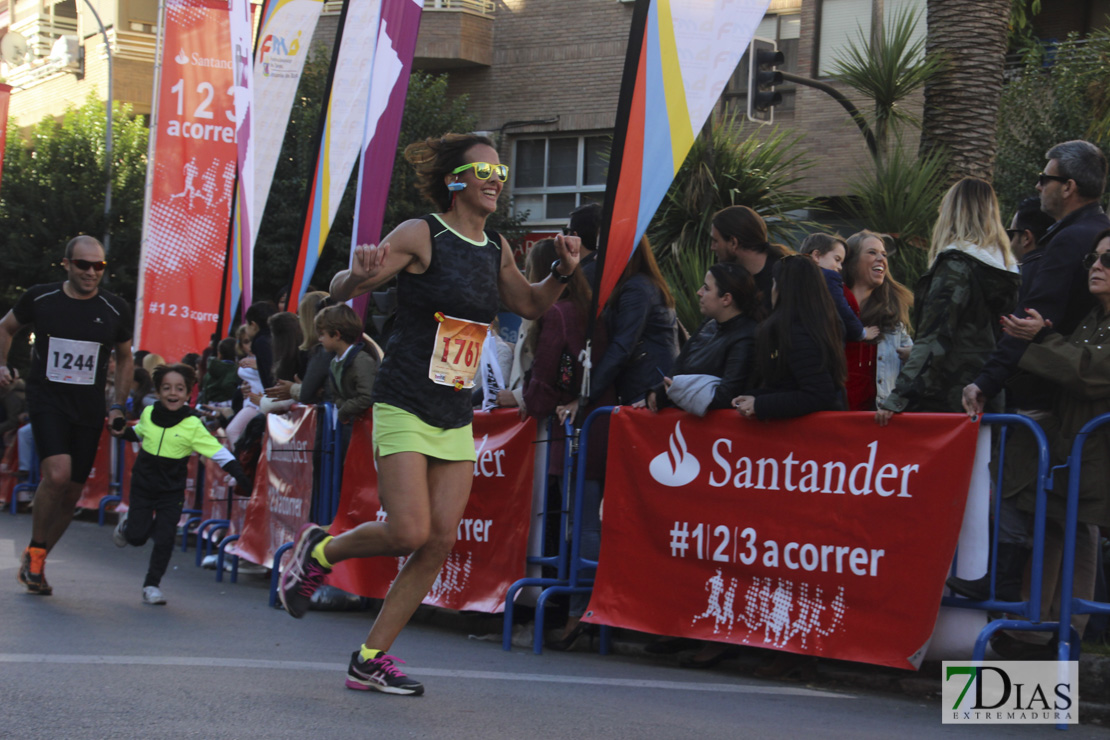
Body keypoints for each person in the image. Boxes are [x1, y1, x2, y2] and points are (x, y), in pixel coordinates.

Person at [280, 133, 581, 696]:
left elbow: (531, 304)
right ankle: (320, 550)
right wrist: (356, 270)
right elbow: (346, 292)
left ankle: (370, 658)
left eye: (501, 172)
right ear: (455, 182)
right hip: (404, 400)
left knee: (439, 540)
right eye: (484, 172)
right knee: (407, 531)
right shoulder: (422, 233)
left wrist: (562, 271)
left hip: (453, 407)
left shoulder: (496, 249)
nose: (495, 181)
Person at [985, 229, 1110, 656]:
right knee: (1056, 527)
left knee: (1076, 531)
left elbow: (1090, 372)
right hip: (1072, 446)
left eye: (1107, 260)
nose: (1096, 265)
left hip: (1096, 450)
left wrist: (1040, 339)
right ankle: (1035, 635)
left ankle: (1063, 638)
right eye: (1094, 258)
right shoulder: (1095, 316)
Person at [0, 235, 134, 595]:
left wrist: (118, 404)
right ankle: (38, 553)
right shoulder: (41, 297)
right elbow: (6, 327)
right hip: (47, 399)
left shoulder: (115, 308)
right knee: (57, 476)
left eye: (99, 266)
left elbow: (125, 358)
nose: (91, 272)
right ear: (67, 264)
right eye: (83, 265)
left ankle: (36, 557)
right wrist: (1, 364)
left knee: (73, 490)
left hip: (88, 407)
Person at [964, 140, 1110, 417]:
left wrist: (986, 381)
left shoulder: (1070, 239)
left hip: (1052, 402)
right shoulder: (1097, 232)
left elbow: (1029, 320)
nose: (1038, 186)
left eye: (1045, 178)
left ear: (1068, 187)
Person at [877, 177, 1020, 425]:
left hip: (947, 399)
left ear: (952, 213)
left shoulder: (956, 266)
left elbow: (935, 337)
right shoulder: (1005, 269)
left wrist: (900, 396)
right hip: (987, 393)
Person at [113, 363, 250, 605]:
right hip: (143, 485)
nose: (172, 393)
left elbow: (219, 453)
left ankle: (152, 585)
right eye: (166, 388)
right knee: (136, 536)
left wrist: (240, 475)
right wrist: (120, 431)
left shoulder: (193, 424)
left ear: (188, 394)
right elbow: (139, 433)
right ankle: (128, 528)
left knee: (165, 538)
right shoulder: (148, 413)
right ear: (158, 391)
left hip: (171, 490)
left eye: (179, 389)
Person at [733, 255, 846, 420]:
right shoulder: (816, 326)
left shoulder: (797, 334)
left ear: (782, 289)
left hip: (808, 436)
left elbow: (819, 394)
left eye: (774, 283)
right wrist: (755, 398)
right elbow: (789, 386)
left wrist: (760, 404)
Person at [647, 262, 763, 415]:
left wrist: (676, 392)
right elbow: (678, 371)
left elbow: (726, 396)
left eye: (707, 288)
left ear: (726, 299)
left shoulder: (746, 337)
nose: (699, 292)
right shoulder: (709, 324)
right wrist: (658, 393)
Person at [587, 236, 680, 408]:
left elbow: (622, 346)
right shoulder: (641, 284)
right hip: (647, 386)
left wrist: (586, 395)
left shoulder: (636, 288)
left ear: (619, 252)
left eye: (601, 250)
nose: (594, 257)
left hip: (646, 391)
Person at [841, 231, 915, 411]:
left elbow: (913, 366)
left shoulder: (892, 318)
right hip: (834, 417)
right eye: (872, 252)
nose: (881, 258)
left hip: (877, 420)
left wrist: (913, 354)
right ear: (852, 261)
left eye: (883, 254)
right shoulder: (830, 307)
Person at [709, 206, 791, 315]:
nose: (712, 247)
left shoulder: (785, 277)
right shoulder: (734, 277)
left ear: (733, 242)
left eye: (715, 241)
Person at [797, 233, 878, 344]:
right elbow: (841, 306)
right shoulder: (829, 277)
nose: (840, 267)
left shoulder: (792, 276)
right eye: (837, 259)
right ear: (816, 256)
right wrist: (861, 332)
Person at [316, 304, 378, 426]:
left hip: (368, 425)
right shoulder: (335, 363)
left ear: (337, 335)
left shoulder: (362, 361)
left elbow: (367, 396)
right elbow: (336, 396)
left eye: (322, 334)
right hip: (354, 423)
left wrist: (344, 410)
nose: (319, 339)